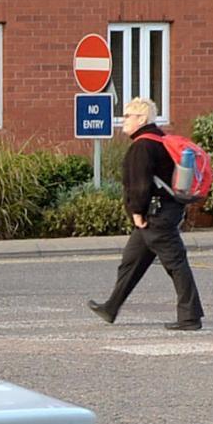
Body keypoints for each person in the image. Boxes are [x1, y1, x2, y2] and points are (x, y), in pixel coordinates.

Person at [89, 97, 203, 331]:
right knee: (131, 262)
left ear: (142, 118)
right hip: (162, 212)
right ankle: (111, 307)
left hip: (154, 216)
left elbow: (139, 185)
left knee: (176, 264)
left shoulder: (142, 146)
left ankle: (190, 317)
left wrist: (137, 213)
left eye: (127, 116)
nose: (123, 122)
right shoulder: (159, 140)